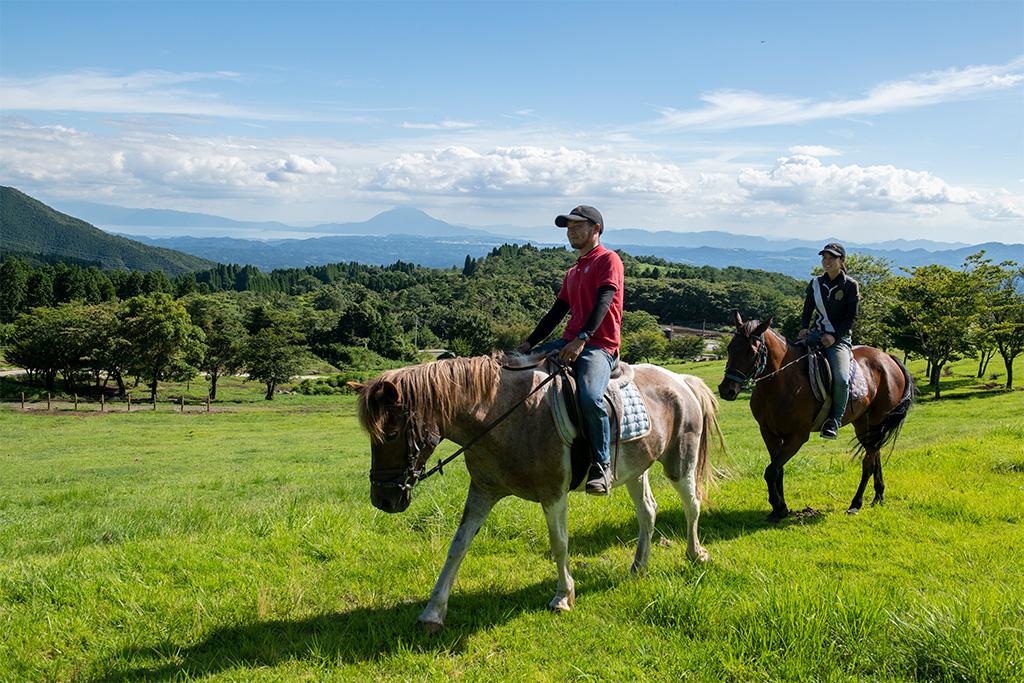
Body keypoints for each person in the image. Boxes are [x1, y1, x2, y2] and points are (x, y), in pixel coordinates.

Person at [516, 205, 624, 495]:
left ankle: (602, 465)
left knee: (589, 396)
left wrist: (583, 338)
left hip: (599, 346)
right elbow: (555, 313)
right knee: (515, 369)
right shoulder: (573, 270)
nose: (571, 231)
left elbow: (604, 300)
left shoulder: (608, 260)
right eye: (568, 227)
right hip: (568, 341)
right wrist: (529, 343)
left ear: (596, 229)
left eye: (577, 226)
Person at [798, 242, 860, 440]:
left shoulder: (850, 285)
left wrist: (834, 336)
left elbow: (852, 317)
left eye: (831, 258)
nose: (827, 261)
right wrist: (804, 327)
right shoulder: (815, 283)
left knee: (841, 379)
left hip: (839, 339)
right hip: (815, 333)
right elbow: (808, 308)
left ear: (841, 261)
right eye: (824, 258)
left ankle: (834, 420)